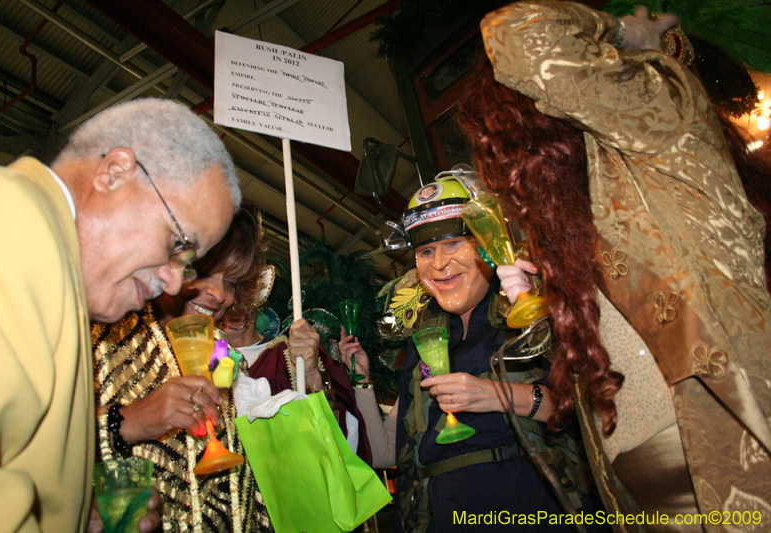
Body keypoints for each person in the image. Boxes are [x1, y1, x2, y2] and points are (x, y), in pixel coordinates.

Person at [456, 0, 771, 527]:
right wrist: (542, 310)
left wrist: (628, 34)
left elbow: (514, 32)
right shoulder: (590, 222)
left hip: (736, 483)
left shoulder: (665, 125)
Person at [0, 97, 240, 533]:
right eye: (179, 245)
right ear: (114, 173)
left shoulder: (57, 278)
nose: (174, 284)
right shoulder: (3, 222)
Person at [359, 171, 601, 532]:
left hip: (533, 505)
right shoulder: (420, 338)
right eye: (426, 251)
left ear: (487, 244)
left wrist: (496, 394)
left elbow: (587, 412)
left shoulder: (532, 308)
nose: (439, 263)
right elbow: (402, 451)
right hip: (443, 513)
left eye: (454, 243)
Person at [91, 207, 273, 533]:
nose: (219, 294)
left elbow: (240, 482)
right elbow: (31, 450)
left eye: (230, 282)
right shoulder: (102, 335)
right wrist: (126, 422)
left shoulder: (221, 351)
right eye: (201, 271)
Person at [221, 270, 373, 464]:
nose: (231, 305)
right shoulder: (193, 361)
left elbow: (345, 444)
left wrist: (312, 375)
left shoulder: (294, 354)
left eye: (240, 293)